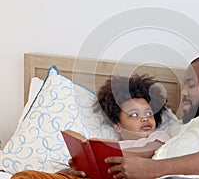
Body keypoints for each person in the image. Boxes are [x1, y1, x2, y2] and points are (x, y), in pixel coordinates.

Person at [11, 74, 171, 179]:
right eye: (134, 115)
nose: (144, 118)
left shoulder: (158, 137)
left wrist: (108, 156)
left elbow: (148, 151)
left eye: (149, 113)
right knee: (24, 177)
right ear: (118, 126)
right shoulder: (110, 143)